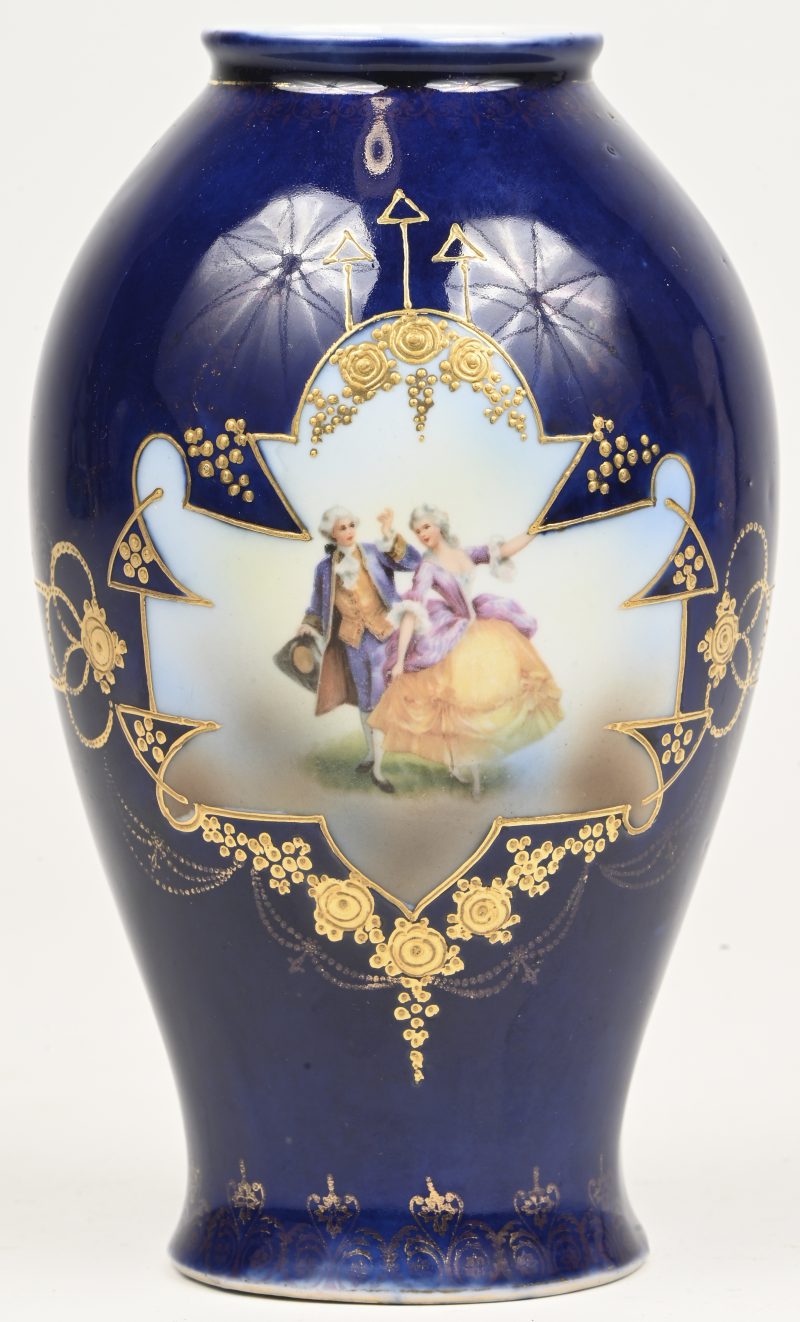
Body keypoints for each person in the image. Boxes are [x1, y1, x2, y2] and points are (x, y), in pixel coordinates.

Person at [368, 504, 563, 796]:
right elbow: (411, 612)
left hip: (479, 630)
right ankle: (382, 768)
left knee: (478, 704)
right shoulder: (427, 567)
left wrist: (538, 528)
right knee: (438, 700)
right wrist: (400, 660)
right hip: (449, 636)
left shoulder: (466, 554)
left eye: (426, 527)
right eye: (418, 531)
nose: (422, 534)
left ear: (439, 525)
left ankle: (468, 776)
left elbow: (504, 550)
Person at [299, 505, 420, 792]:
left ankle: (378, 770)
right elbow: (318, 604)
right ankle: (370, 754)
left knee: (378, 698)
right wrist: (308, 624)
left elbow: (412, 563)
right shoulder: (325, 569)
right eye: (342, 528)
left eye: (351, 525)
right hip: (351, 641)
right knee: (365, 699)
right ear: (332, 533)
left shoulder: (375, 552)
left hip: (382, 636)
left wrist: (389, 533)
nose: (349, 531)